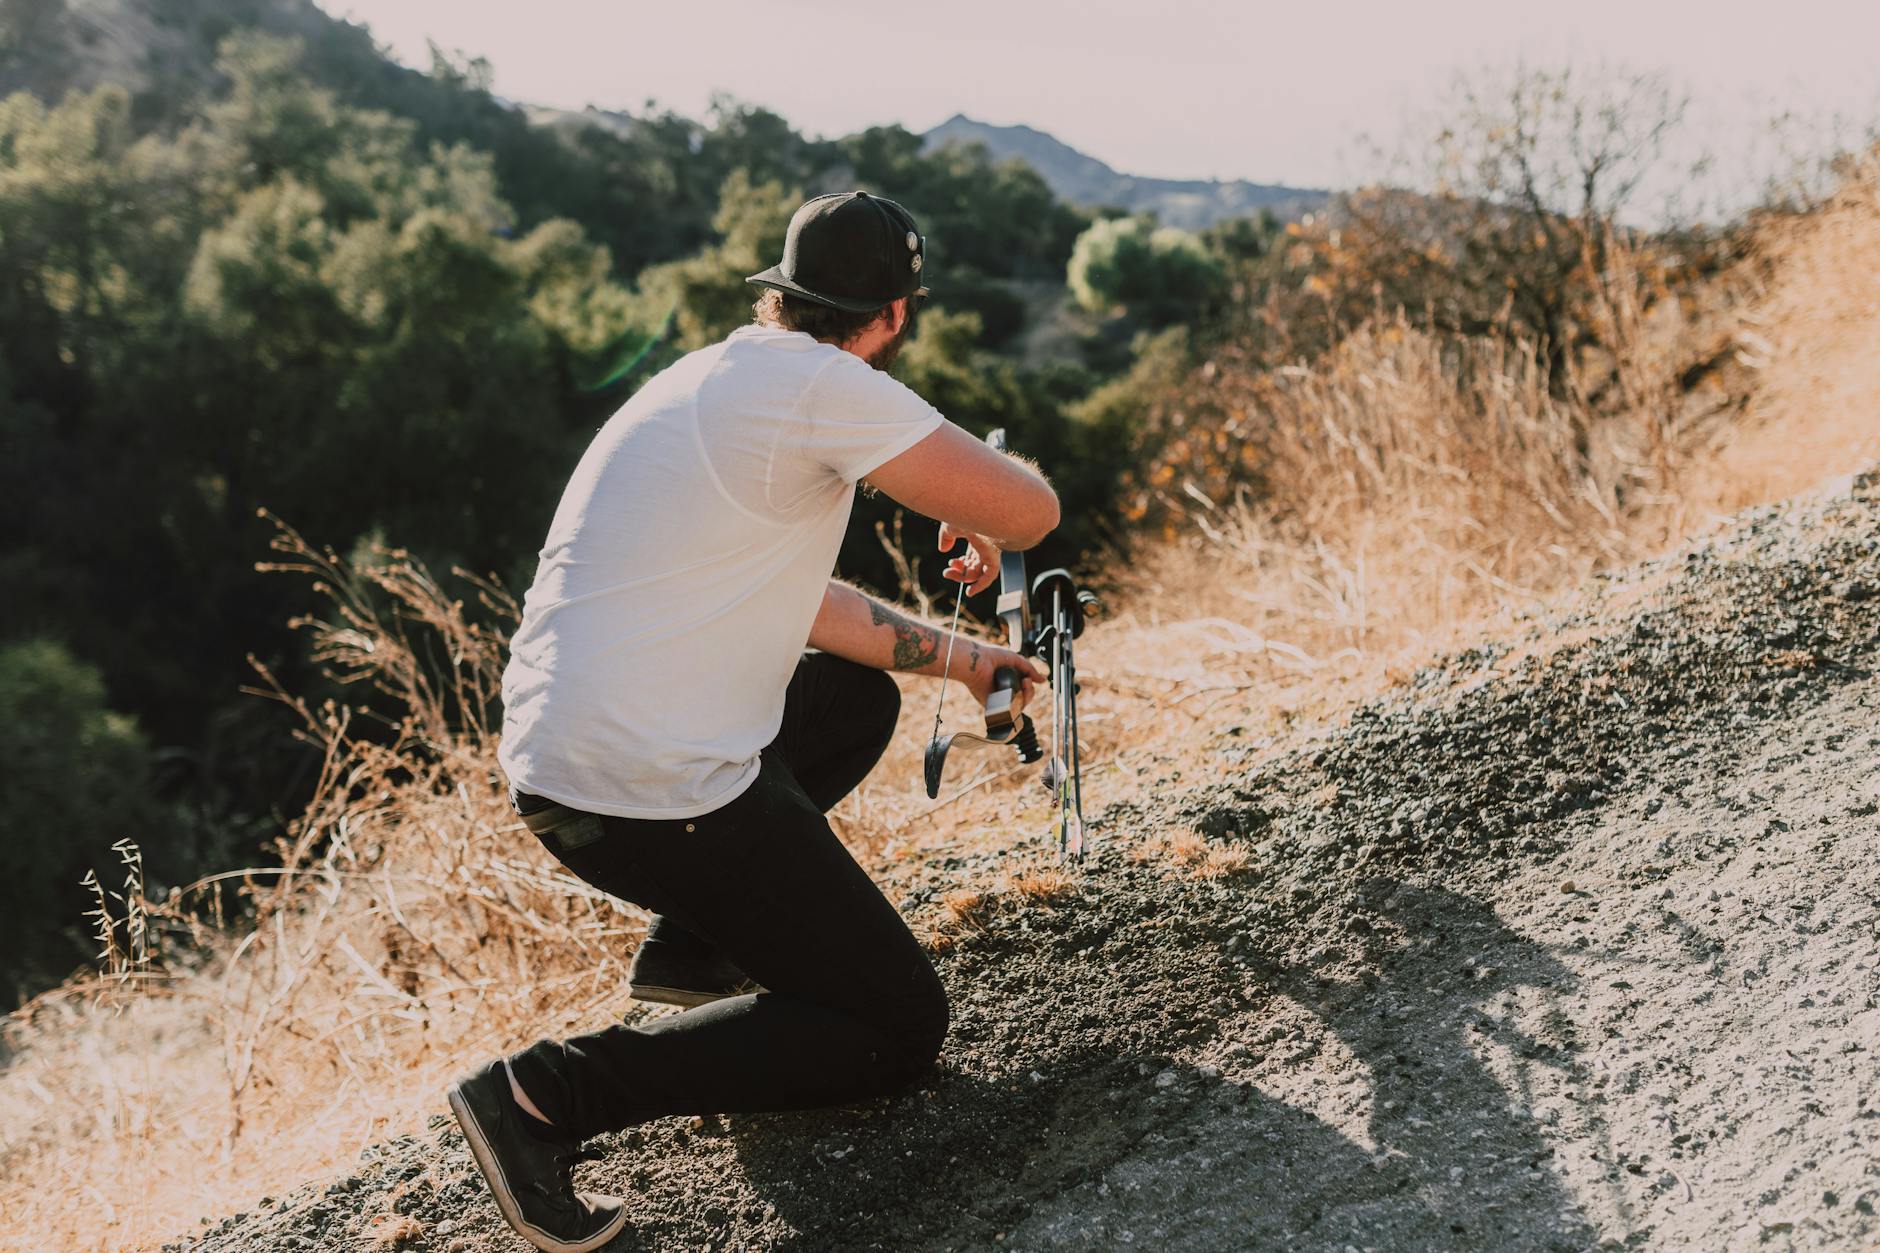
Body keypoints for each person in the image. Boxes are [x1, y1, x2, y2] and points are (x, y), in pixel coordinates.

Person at [447, 190, 1060, 1252]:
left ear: (777, 293)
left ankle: (693, 951)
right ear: (895, 314)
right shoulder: (825, 387)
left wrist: (962, 661)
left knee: (851, 698)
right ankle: (542, 1095)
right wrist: (961, 491)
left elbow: (806, 606)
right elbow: (1029, 512)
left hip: (565, 759)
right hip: (646, 786)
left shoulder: (715, 376)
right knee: (894, 1025)